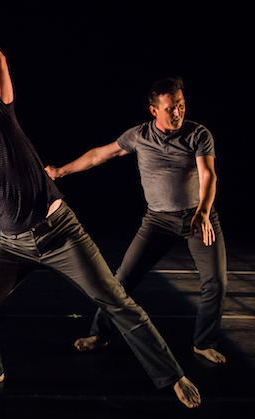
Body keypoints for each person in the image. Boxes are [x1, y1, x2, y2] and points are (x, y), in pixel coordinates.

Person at [0, 18, 201, 408]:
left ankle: (173, 375)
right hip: (12, 246)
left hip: (61, 232)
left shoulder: (0, 121)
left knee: (115, 299)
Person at [45, 76, 227, 364]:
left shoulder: (198, 134)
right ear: (154, 111)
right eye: (171, 108)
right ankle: (99, 334)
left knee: (215, 282)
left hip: (198, 218)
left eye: (181, 105)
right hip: (158, 221)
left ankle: (203, 343)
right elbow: (98, 156)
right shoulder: (139, 136)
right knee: (121, 280)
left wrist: (203, 211)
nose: (178, 113)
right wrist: (61, 172)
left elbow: (208, 174)